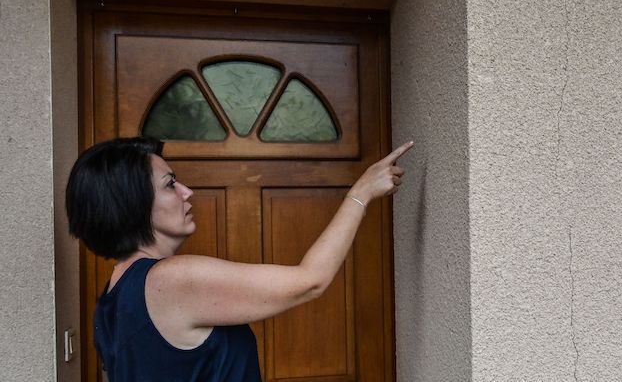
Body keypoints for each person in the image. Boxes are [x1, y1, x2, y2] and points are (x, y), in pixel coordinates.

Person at [66, 137, 413, 382]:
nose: (187, 192)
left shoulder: (112, 296)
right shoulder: (171, 280)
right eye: (170, 184)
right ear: (132, 202)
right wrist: (361, 192)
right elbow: (310, 280)